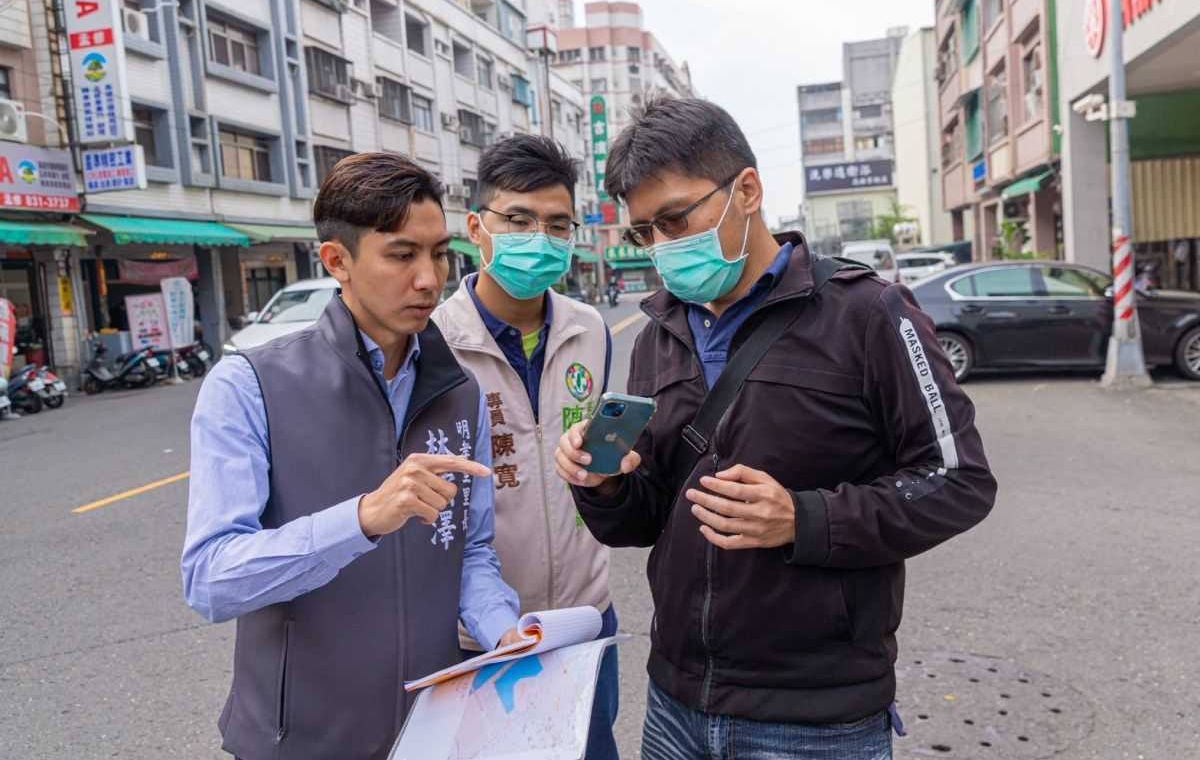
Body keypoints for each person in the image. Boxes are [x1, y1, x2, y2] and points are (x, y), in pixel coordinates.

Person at [555, 96, 998, 760]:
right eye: (644, 231)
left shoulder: (869, 313)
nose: (662, 246)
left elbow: (959, 479)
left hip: (815, 716)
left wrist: (804, 519)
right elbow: (649, 519)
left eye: (675, 218)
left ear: (747, 191)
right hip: (675, 701)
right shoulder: (658, 336)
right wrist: (604, 485)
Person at [182, 153, 521, 760]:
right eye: (401, 255)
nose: (429, 279)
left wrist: (507, 632)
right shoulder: (250, 385)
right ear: (336, 260)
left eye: (439, 253)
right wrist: (362, 519)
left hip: (431, 734)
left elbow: (469, 550)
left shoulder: (460, 391)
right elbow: (211, 579)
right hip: (300, 741)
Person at [430, 134, 620, 760]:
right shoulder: (432, 342)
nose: (539, 237)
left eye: (557, 224)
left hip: (584, 619)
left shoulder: (589, 329)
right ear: (476, 228)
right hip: (475, 635)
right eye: (518, 219)